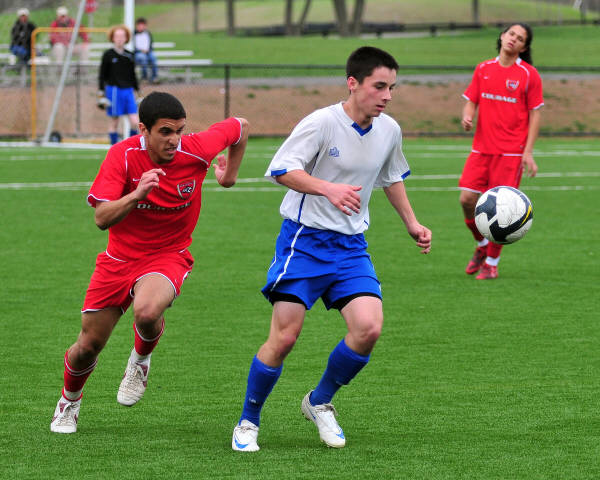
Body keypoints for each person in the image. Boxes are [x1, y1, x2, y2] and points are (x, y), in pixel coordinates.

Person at [231, 46, 432, 452]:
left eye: (392, 88)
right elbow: (282, 169)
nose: (387, 95)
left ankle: (319, 401)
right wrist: (328, 189)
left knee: (368, 329)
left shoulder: (389, 129)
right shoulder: (321, 123)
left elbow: (391, 176)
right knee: (285, 337)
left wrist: (412, 223)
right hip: (304, 243)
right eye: (379, 86)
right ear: (353, 83)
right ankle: (248, 421)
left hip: (351, 247)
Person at [50, 91, 249, 434]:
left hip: (168, 255)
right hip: (118, 259)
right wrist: (136, 195)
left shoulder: (196, 149)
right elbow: (101, 218)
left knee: (147, 311)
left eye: (179, 131)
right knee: (88, 346)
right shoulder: (122, 156)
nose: (174, 140)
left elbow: (241, 127)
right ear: (143, 129)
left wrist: (228, 176)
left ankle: (139, 361)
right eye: (165, 132)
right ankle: (69, 402)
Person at [459, 23, 544, 280]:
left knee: (502, 211)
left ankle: (492, 263)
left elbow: (535, 115)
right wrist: (467, 116)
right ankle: (482, 245)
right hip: (481, 149)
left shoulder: (529, 74)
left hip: (510, 153)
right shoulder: (483, 68)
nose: (514, 39)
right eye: (511, 34)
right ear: (502, 36)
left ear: (524, 47)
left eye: (520, 38)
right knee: (467, 200)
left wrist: (528, 152)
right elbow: (471, 100)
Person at [98, 25, 140, 145]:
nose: (120, 39)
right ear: (112, 38)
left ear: (126, 38)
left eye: (122, 36)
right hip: (114, 91)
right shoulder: (108, 55)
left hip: (128, 91)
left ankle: (131, 147)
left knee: (135, 121)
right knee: (114, 121)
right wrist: (101, 92)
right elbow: (102, 75)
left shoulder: (130, 55)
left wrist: (137, 90)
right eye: (117, 36)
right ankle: (114, 147)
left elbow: (133, 75)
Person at [134, 17, 158, 84]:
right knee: (143, 58)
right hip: (138, 53)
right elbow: (133, 46)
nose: (141, 27)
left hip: (148, 52)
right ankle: (144, 77)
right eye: (140, 25)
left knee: (153, 58)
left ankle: (154, 77)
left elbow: (150, 44)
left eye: (143, 25)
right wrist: (141, 50)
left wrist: (148, 50)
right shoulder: (134, 34)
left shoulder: (148, 33)